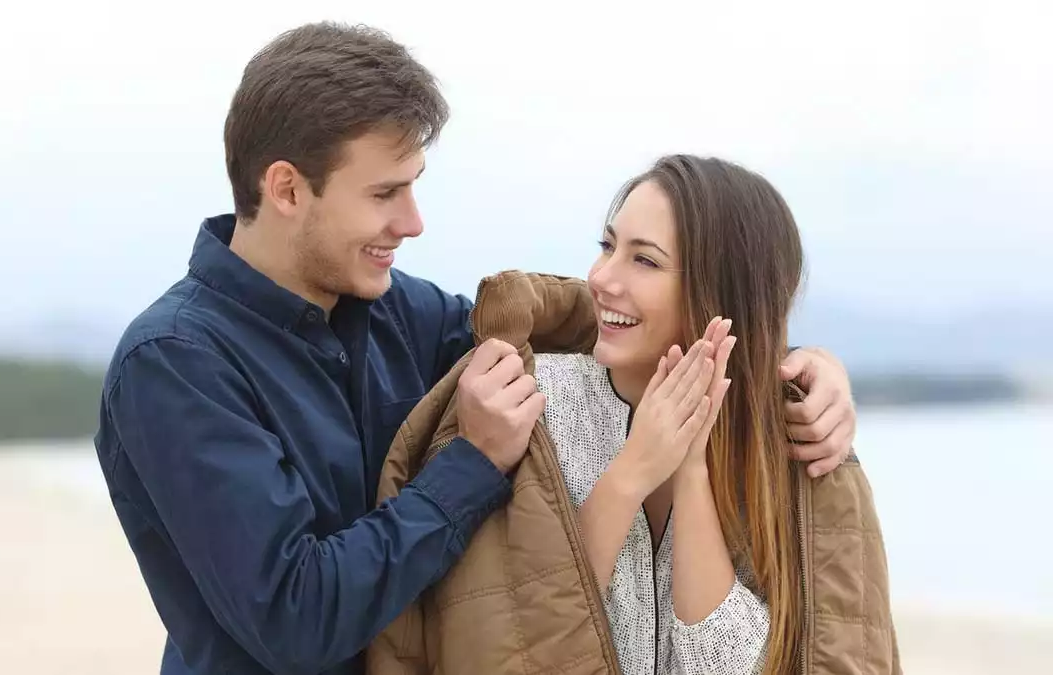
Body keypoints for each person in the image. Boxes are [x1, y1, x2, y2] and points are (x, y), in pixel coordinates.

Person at [94, 22, 862, 675]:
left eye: (414, 185)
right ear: (289, 190)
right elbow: (296, 616)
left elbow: (586, 321)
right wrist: (473, 465)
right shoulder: (173, 364)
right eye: (384, 193)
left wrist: (789, 364)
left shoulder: (398, 312)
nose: (414, 221)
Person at [366, 156, 897, 675]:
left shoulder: (797, 446)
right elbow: (509, 648)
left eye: (643, 260)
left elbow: (727, 665)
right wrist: (630, 475)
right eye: (608, 246)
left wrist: (690, 469)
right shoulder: (526, 405)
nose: (600, 277)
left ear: (720, 291)